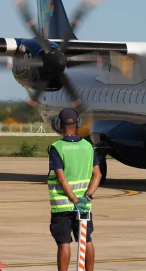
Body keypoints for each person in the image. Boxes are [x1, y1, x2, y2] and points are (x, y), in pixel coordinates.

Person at [47, 108, 102, 271]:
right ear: (78, 123)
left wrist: (74, 200)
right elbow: (97, 175)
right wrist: (87, 197)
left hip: (63, 206)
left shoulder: (57, 148)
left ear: (59, 125)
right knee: (86, 240)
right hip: (85, 206)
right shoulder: (88, 146)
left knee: (64, 243)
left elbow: (62, 179)